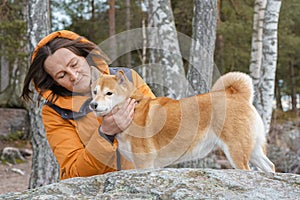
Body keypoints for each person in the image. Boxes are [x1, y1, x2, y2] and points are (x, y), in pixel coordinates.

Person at [21, 30, 155, 180]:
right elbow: (73, 173)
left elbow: (158, 128)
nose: (73, 76)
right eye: (62, 75)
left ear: (85, 56)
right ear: (54, 82)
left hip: (144, 185)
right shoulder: (55, 112)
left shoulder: (127, 78)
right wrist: (105, 133)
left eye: (74, 64)